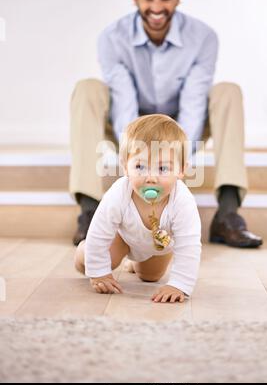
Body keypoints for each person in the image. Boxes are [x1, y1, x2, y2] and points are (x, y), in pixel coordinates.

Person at [69, 0, 263, 249]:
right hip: (130, 122)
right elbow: (123, 98)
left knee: (228, 91)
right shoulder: (112, 37)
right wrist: (137, 148)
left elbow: (195, 97)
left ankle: (228, 213)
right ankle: (89, 212)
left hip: (182, 123)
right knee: (87, 88)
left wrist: (175, 152)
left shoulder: (203, 37)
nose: (157, 8)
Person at [74, 114, 201, 303]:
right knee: (97, 259)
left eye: (163, 169)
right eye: (140, 166)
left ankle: (134, 262)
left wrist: (179, 285)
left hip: (158, 245)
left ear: (181, 170)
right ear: (126, 167)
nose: (150, 178)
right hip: (122, 238)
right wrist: (98, 272)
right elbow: (99, 231)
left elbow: (189, 246)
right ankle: (83, 251)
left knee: (151, 277)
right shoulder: (119, 193)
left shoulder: (182, 201)